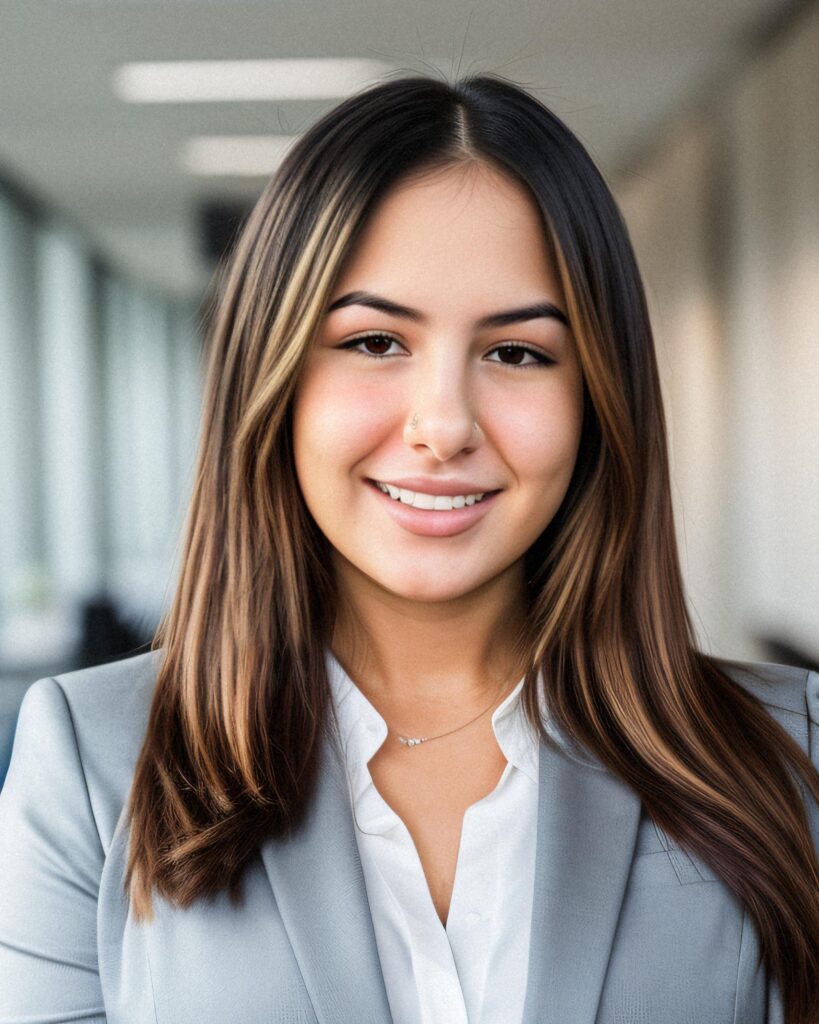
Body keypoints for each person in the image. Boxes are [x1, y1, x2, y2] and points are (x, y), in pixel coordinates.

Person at [0, 73, 817, 1024]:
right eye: (375, 341)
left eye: (516, 353)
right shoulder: (96, 762)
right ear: (274, 379)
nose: (442, 425)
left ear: (599, 397)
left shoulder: (790, 753)